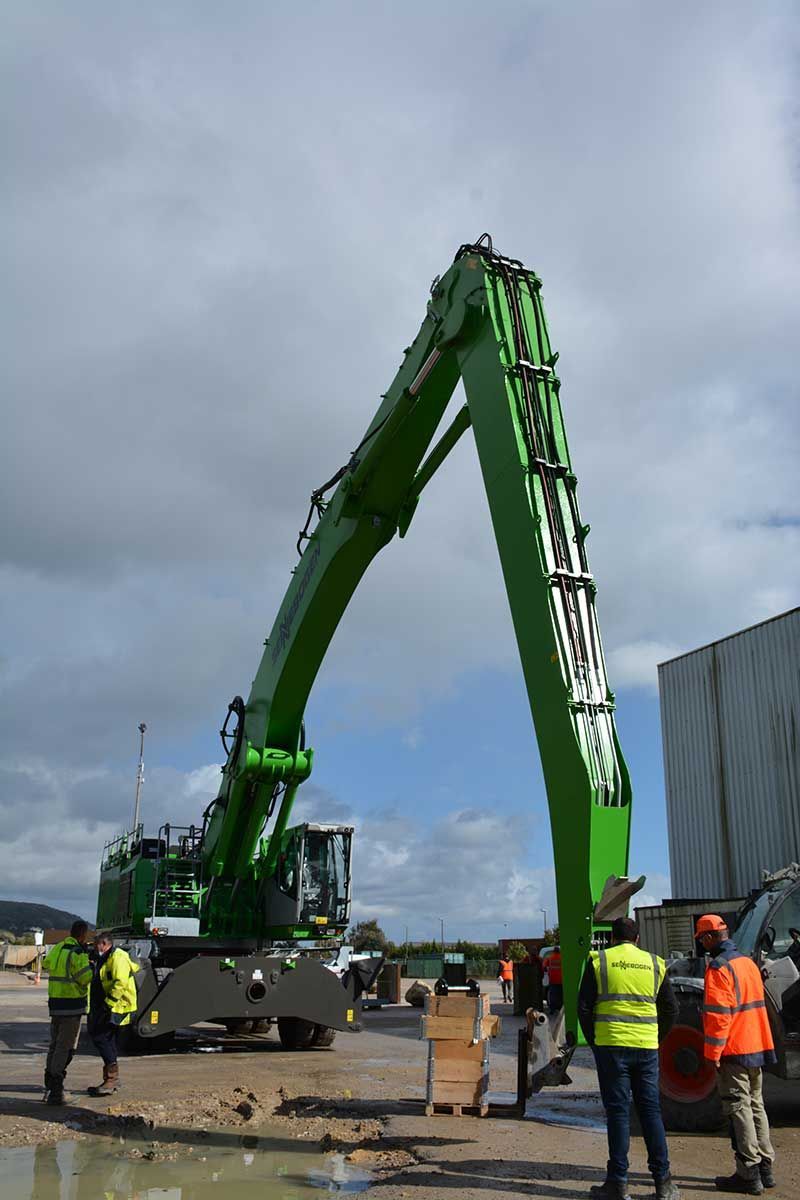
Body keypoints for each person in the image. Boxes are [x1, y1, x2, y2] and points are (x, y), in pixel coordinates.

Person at [578, 916, 680, 1200]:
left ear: (612, 938)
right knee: (650, 1112)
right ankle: (664, 1184)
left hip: (611, 1046)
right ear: (637, 939)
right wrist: (654, 1038)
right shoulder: (655, 963)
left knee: (618, 1113)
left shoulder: (600, 961)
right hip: (646, 1048)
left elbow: (583, 1007)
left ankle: (618, 1183)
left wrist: (597, 1040)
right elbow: (671, 1009)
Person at [696, 914, 776, 1195]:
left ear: (707, 938)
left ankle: (748, 1173)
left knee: (738, 1108)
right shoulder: (747, 963)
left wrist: (712, 1054)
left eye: (701, 940)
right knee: (756, 1105)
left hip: (734, 1049)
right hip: (756, 1045)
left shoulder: (719, 968)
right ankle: (765, 1168)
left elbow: (719, 1017)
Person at [42, 920, 93, 1105]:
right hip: (71, 1006)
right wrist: (91, 965)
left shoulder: (58, 948)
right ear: (82, 935)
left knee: (54, 1045)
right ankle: (57, 1091)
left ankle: (49, 1085)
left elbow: (47, 963)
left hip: (55, 1004)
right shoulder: (77, 953)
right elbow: (85, 978)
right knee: (66, 1047)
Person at [86, 931, 140, 1096]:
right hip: (105, 1005)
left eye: (97, 944)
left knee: (101, 1037)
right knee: (105, 1038)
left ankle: (111, 1078)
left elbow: (120, 982)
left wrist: (108, 1003)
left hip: (116, 1006)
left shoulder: (118, 957)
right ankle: (110, 1079)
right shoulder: (105, 957)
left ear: (104, 944)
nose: (95, 948)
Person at [543, 944, 563, 1012]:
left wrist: (547, 971)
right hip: (561, 980)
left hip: (552, 979)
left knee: (552, 995)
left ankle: (552, 1009)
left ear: (553, 951)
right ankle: (560, 1008)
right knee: (560, 995)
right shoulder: (562, 957)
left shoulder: (550, 958)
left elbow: (544, 966)